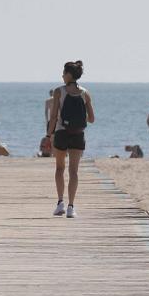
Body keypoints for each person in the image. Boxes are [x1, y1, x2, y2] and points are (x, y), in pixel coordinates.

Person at [48, 61, 95, 219]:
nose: (62, 75)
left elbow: (54, 116)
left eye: (63, 72)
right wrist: (78, 119)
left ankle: (60, 203)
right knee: (73, 171)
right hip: (78, 134)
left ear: (69, 75)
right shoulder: (85, 93)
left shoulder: (58, 91)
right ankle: (71, 207)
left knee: (59, 169)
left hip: (61, 133)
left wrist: (49, 134)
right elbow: (92, 119)